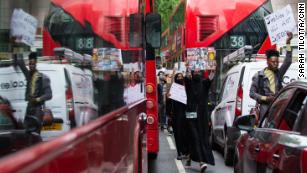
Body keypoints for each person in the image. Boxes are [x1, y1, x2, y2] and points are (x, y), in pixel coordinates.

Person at [250, 32, 293, 120]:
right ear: (267, 62)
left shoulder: (279, 73)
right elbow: (252, 93)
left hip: (277, 106)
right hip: (264, 108)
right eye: (273, 62)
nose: (275, 64)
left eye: (277, 62)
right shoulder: (259, 76)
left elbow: (288, 61)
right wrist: (265, 98)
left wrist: (288, 43)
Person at [185, 69, 215, 172]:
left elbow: (210, 78)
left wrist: (213, 70)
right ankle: (201, 162)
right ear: (192, 73)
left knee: (202, 137)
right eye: (195, 72)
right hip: (191, 115)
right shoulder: (189, 84)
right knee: (195, 137)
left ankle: (190, 155)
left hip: (202, 116)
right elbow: (187, 77)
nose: (197, 73)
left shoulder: (204, 83)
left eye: (199, 72)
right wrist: (188, 68)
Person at [15, 52, 52, 133]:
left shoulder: (43, 78)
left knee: (35, 133)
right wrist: (16, 49)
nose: (31, 66)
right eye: (30, 64)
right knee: (26, 133)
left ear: (36, 64)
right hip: (29, 108)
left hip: (38, 109)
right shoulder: (29, 76)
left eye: (33, 64)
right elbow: (21, 65)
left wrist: (37, 99)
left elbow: (49, 95)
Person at [168, 72, 187, 160]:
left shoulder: (186, 88)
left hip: (185, 114)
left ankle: (186, 151)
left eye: (181, 77)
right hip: (176, 115)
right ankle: (179, 152)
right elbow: (169, 103)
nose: (180, 78)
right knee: (178, 134)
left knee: (185, 133)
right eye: (178, 77)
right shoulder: (173, 89)